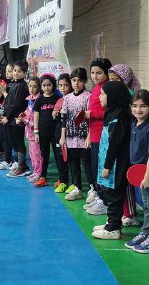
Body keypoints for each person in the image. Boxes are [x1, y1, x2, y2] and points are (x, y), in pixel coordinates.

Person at [92, 81, 133, 240]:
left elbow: (115, 145)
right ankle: (112, 222)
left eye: (103, 94)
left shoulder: (118, 118)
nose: (100, 97)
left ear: (113, 97)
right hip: (108, 161)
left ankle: (113, 228)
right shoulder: (112, 113)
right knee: (109, 193)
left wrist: (107, 166)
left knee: (114, 194)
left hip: (115, 164)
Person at [125, 90, 149, 253]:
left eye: (143, 106)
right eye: (134, 106)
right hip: (139, 175)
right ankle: (146, 232)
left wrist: (148, 177)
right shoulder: (134, 124)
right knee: (146, 205)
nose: (138, 110)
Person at [109, 62, 141, 227]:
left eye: (117, 79)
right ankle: (123, 212)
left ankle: (129, 213)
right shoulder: (116, 94)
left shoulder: (131, 96)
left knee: (126, 179)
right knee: (119, 179)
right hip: (120, 138)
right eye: (111, 79)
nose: (113, 83)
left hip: (128, 140)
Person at [60, 68, 92, 201]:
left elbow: (91, 119)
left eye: (79, 80)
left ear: (84, 81)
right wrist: (63, 137)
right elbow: (64, 118)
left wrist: (89, 137)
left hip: (84, 137)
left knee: (87, 163)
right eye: (74, 80)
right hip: (70, 138)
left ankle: (92, 189)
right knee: (73, 164)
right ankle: (77, 188)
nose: (76, 83)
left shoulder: (88, 97)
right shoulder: (67, 98)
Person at [86, 58, 112, 210]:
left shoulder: (107, 88)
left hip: (103, 134)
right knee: (96, 166)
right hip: (94, 133)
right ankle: (100, 196)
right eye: (93, 73)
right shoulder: (96, 88)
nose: (95, 76)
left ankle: (105, 201)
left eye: (99, 73)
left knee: (102, 167)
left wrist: (93, 114)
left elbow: (107, 111)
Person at [1, 60, 30, 177]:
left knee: (19, 142)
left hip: (17, 119)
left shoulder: (22, 86)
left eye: (19, 71)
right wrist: (3, 115)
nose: (16, 73)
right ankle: (19, 163)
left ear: (24, 73)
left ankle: (23, 166)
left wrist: (8, 117)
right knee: (12, 141)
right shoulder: (12, 84)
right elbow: (7, 101)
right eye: (15, 70)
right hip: (9, 119)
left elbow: (16, 104)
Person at [33, 74, 61, 188]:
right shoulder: (39, 99)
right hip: (43, 133)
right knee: (44, 155)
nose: (46, 88)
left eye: (49, 85)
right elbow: (36, 116)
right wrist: (36, 132)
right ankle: (43, 176)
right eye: (44, 85)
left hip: (55, 133)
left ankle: (61, 178)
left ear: (53, 85)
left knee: (57, 155)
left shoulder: (57, 99)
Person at [53, 73, 72, 192]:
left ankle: (74, 184)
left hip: (70, 133)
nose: (63, 88)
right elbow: (54, 116)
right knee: (60, 158)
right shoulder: (59, 99)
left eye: (66, 85)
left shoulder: (72, 98)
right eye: (60, 85)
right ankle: (63, 181)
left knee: (71, 159)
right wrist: (55, 114)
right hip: (58, 132)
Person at [24, 76, 44, 182]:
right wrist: (23, 116)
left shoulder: (39, 100)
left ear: (39, 87)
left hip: (36, 131)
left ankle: (38, 172)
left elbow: (37, 117)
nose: (32, 88)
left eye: (35, 86)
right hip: (29, 131)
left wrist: (27, 121)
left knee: (37, 153)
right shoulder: (29, 99)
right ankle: (35, 171)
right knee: (31, 152)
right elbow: (28, 113)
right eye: (30, 86)